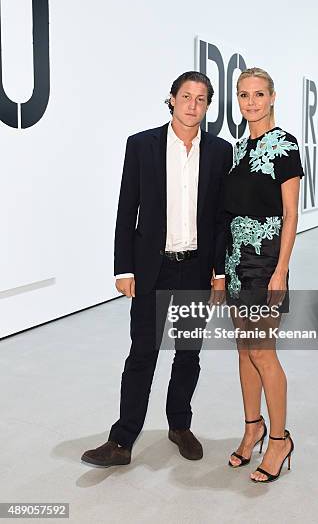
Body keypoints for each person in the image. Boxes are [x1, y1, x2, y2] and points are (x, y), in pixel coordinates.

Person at [81, 71, 232, 467]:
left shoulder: (220, 151)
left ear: (207, 105)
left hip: (197, 269)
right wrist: (124, 267)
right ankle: (122, 440)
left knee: (188, 354)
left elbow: (220, 217)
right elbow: (126, 208)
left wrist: (219, 272)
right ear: (171, 98)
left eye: (201, 99)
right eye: (186, 96)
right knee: (142, 353)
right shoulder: (141, 145)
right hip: (152, 268)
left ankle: (179, 425)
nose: (192, 105)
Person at [223, 67, 304, 483]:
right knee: (243, 351)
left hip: (267, 260)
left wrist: (281, 271)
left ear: (273, 97)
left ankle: (278, 440)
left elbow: (291, 214)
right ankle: (252, 426)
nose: (250, 102)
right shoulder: (238, 148)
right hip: (237, 261)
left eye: (258, 94)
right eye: (243, 95)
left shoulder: (285, 145)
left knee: (263, 353)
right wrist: (222, 271)